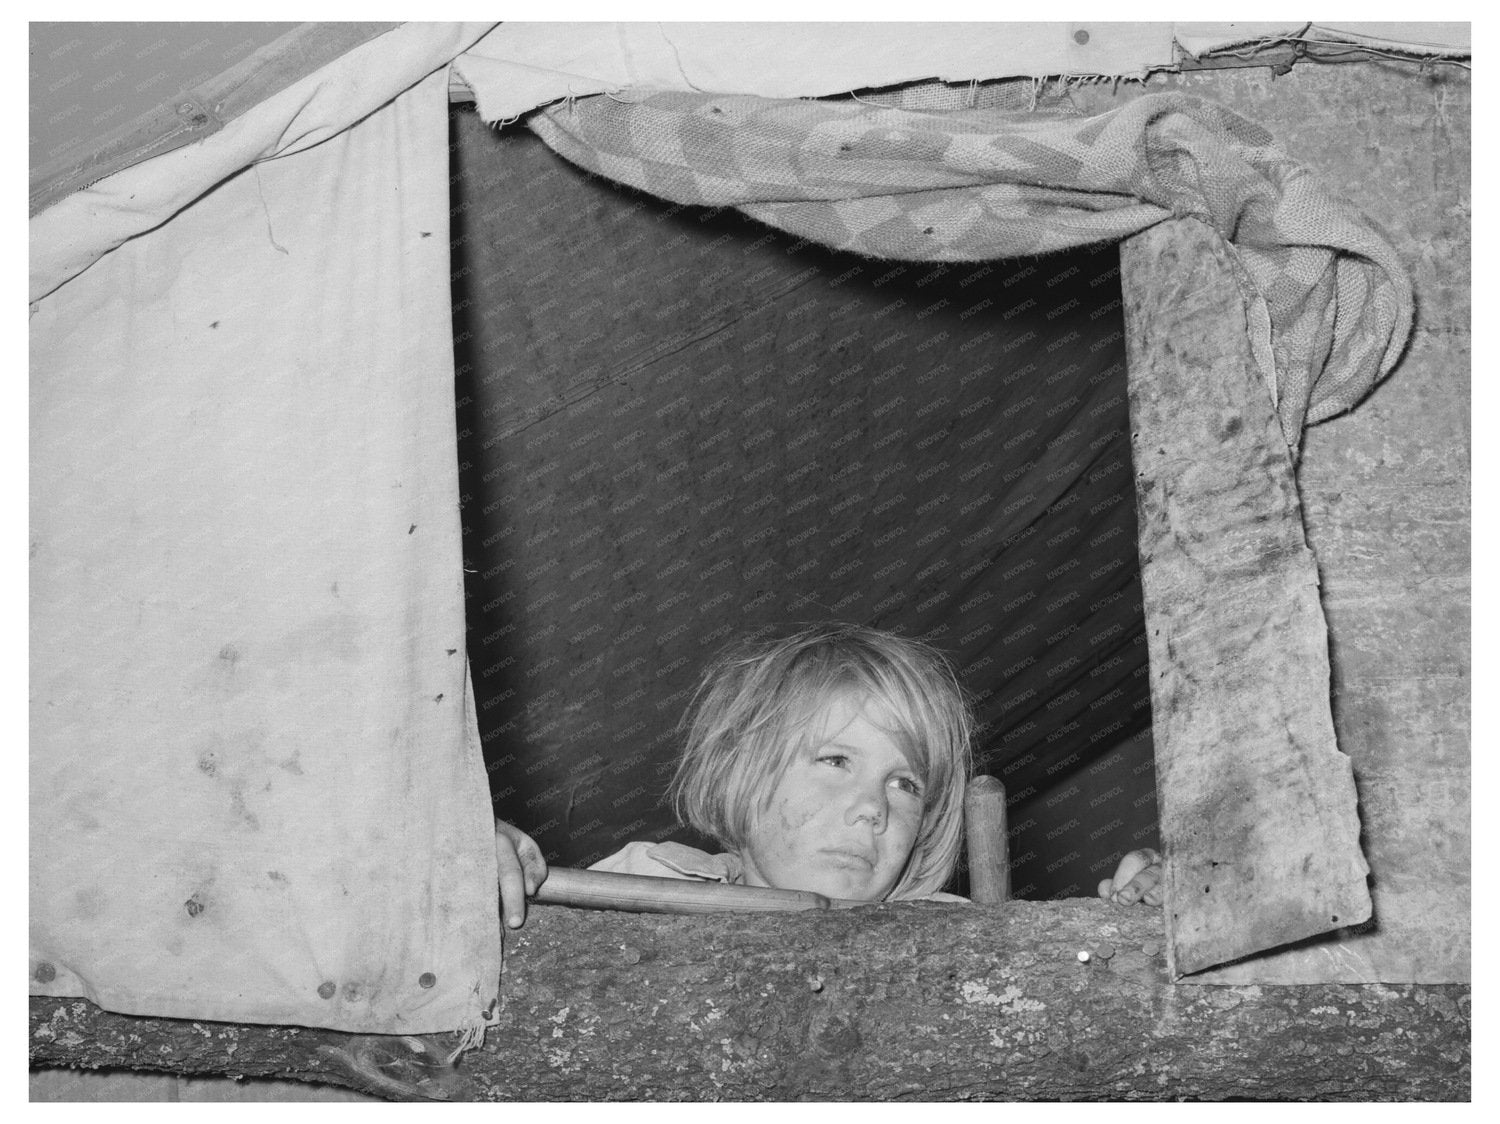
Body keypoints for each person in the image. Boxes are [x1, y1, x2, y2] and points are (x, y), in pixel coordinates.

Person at [494, 623, 1162, 927]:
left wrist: (1138, 917)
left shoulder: (954, 931)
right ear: (740, 770)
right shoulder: (640, 881)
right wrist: (482, 863)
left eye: (905, 784)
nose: (873, 808)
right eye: (836, 761)